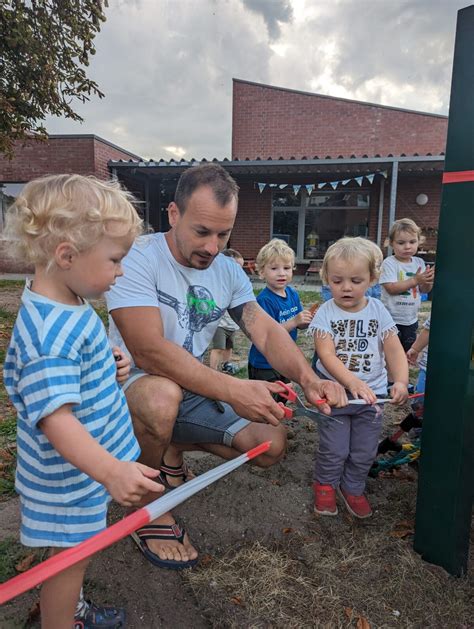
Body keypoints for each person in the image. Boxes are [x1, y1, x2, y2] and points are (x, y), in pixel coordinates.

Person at [106, 163, 347, 569]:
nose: (213, 247)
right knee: (159, 395)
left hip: (191, 386)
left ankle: (169, 446)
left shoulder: (228, 271)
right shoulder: (137, 258)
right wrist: (236, 389)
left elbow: (265, 331)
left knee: (271, 444)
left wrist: (308, 378)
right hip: (131, 388)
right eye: (202, 232)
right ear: (173, 214)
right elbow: (149, 352)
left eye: (224, 234)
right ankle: (146, 504)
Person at [3, 174, 165, 629]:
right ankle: (61, 621)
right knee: (69, 560)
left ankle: (66, 608)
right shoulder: (48, 337)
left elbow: (72, 371)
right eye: (115, 259)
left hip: (83, 473)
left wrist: (105, 367)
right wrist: (111, 470)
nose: (121, 271)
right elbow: (57, 421)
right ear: (67, 256)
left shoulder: (67, 299)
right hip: (70, 481)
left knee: (76, 553)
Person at [309, 237, 409, 518]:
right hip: (336, 396)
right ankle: (326, 485)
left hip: (372, 397)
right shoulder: (325, 314)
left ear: (373, 279)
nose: (346, 288)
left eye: (356, 280)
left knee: (365, 450)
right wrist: (350, 382)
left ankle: (352, 486)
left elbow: (394, 350)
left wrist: (400, 381)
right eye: (337, 280)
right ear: (326, 278)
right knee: (335, 448)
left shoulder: (378, 310)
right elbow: (326, 355)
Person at [248, 238, 313, 387]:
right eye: (274, 268)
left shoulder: (292, 294)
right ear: (262, 272)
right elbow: (266, 335)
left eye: (287, 268)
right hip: (264, 363)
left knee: (284, 397)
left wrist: (305, 321)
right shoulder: (264, 300)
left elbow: (299, 325)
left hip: (285, 359)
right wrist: (295, 321)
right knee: (269, 400)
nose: (281, 273)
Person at [379, 218, 434, 351]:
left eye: (412, 242)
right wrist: (415, 280)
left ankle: (402, 370)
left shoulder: (419, 262)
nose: (407, 246)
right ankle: (388, 371)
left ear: (419, 241)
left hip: (411, 318)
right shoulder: (389, 263)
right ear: (392, 243)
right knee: (389, 352)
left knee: (407, 350)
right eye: (401, 243)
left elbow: (424, 290)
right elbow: (391, 288)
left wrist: (427, 281)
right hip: (390, 318)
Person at [209, 248, 244, 374]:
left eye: (241, 268)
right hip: (220, 324)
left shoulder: (238, 285)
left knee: (229, 347)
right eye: (236, 267)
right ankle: (212, 370)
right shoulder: (217, 283)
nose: (238, 271)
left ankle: (226, 364)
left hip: (232, 324)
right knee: (218, 347)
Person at [407, 315, 431, 395]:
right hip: (427, 366)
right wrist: (416, 349)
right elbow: (428, 330)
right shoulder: (441, 310)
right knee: (420, 398)